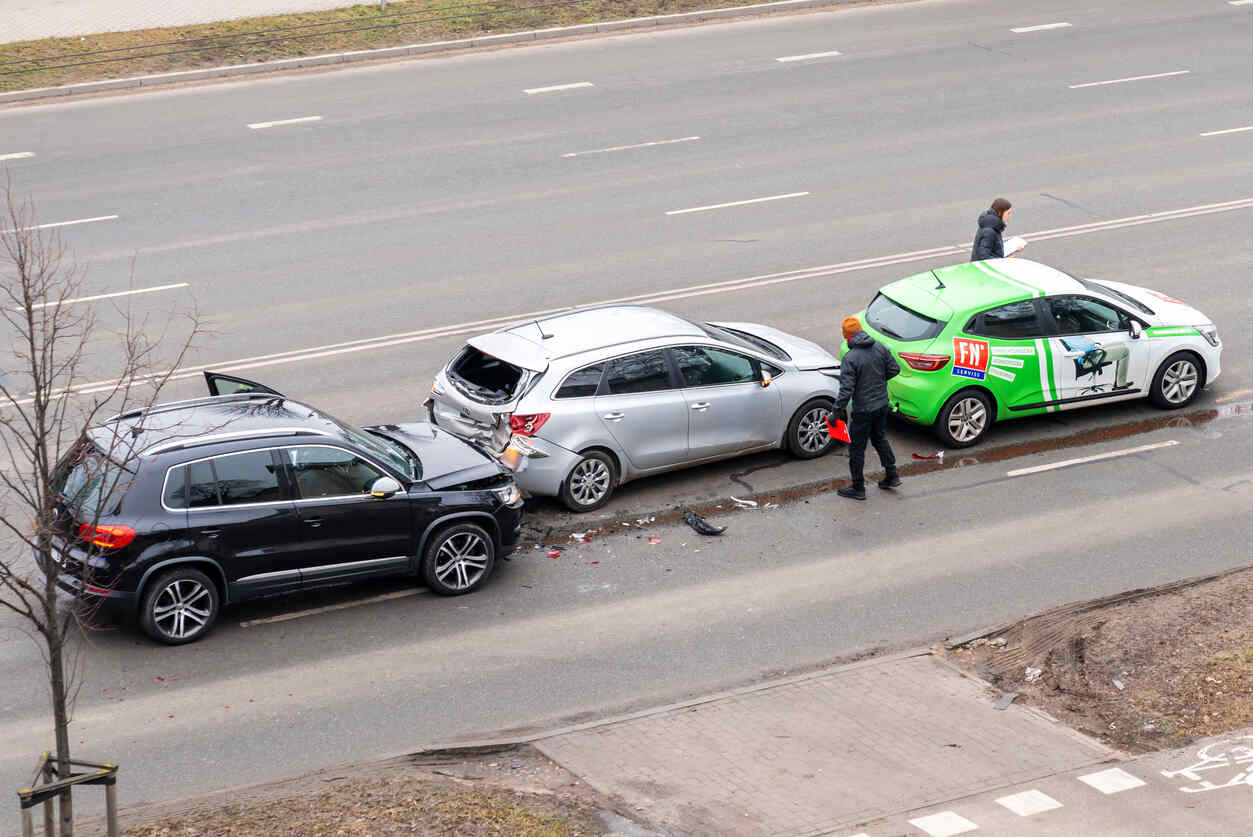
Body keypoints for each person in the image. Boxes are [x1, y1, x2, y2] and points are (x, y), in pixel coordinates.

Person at [833, 316, 901, 500]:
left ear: (847, 337)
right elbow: (895, 369)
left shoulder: (850, 358)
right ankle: (892, 475)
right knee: (880, 439)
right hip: (881, 405)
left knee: (857, 449)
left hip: (863, 410)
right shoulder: (879, 346)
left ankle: (858, 488)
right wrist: (877, 381)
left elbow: (846, 391)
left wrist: (835, 412)